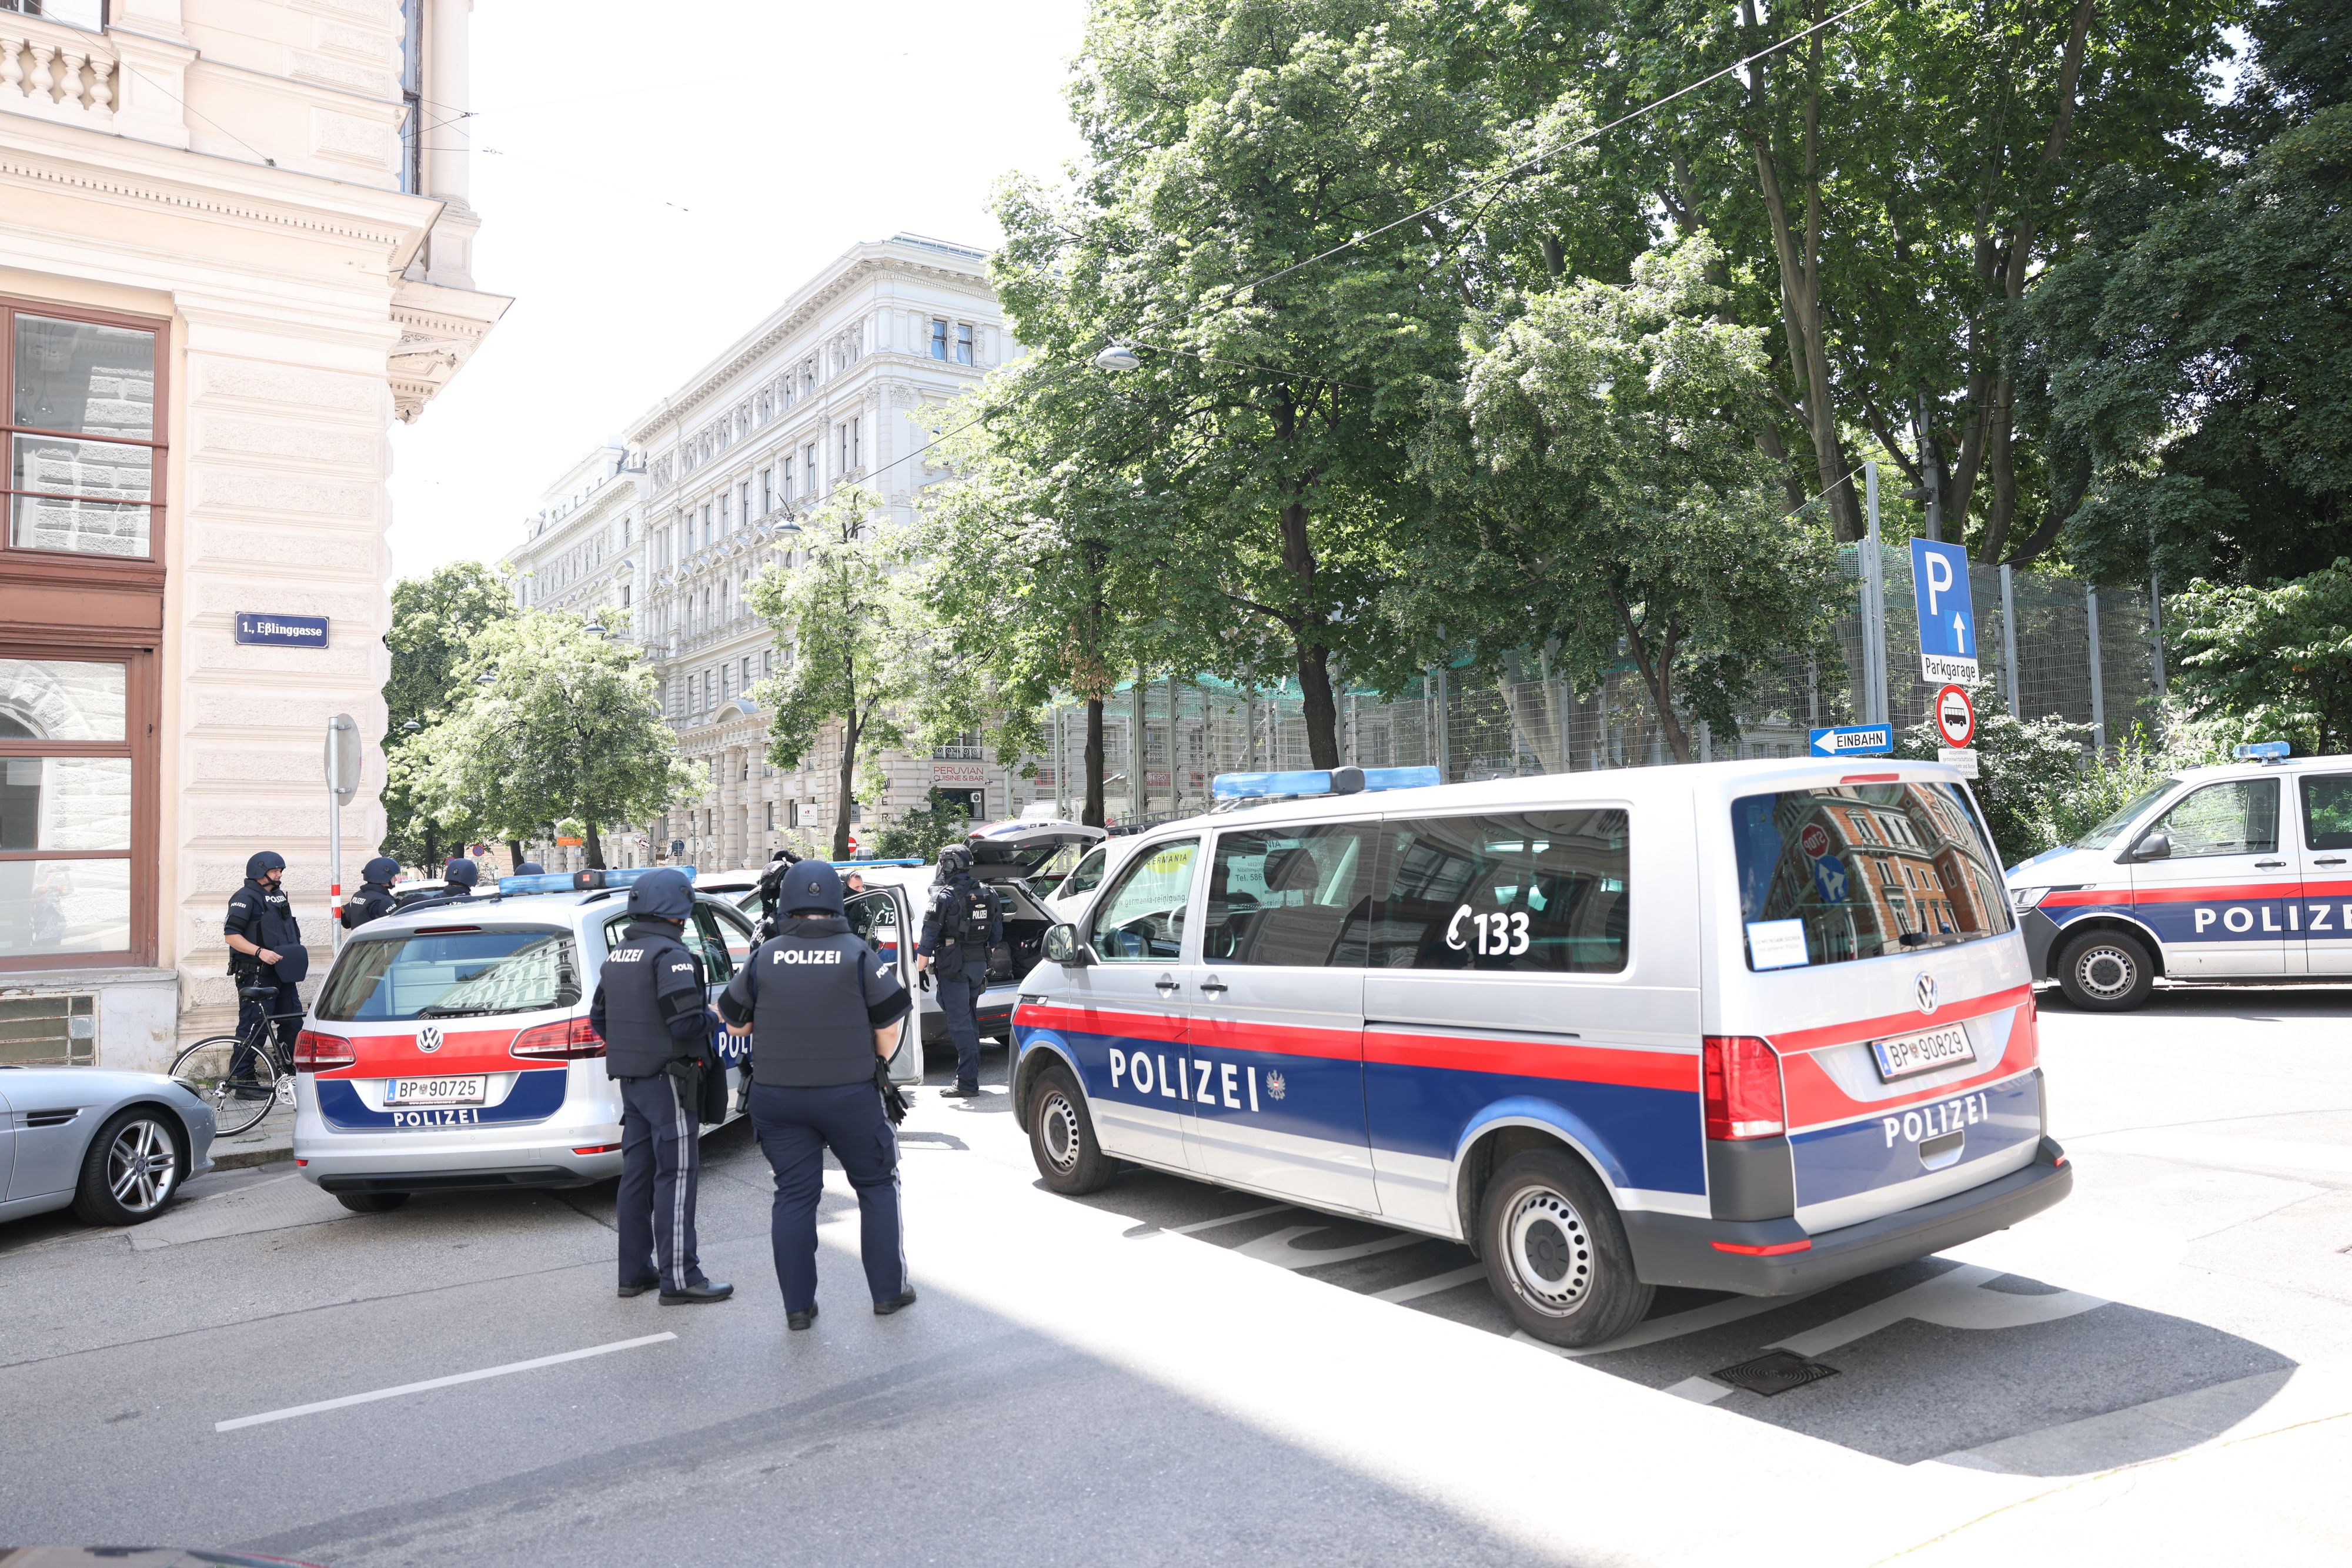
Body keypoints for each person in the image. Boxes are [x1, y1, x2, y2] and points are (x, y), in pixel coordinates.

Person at [720, 859, 916, 1330]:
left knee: (794, 1196)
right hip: (849, 1095)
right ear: (834, 900)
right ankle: (888, 1292)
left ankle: (798, 1308)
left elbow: (734, 1020)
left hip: (778, 1098)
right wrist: (878, 1059)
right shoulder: (856, 952)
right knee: (875, 1186)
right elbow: (889, 1024)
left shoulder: (766, 954)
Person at [587, 867, 733, 1305]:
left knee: (637, 1177)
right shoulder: (672, 956)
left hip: (632, 1080)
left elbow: (599, 1019)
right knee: (678, 1175)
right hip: (671, 1079)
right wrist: (715, 1014)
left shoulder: (619, 956)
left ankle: (633, 1272)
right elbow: (686, 1019)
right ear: (677, 911)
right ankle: (681, 1276)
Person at [916, 843, 1001, 1099]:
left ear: (950, 865)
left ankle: (967, 1082)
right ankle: (970, 1075)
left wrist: (918, 970)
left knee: (960, 1023)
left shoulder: (943, 896)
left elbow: (928, 938)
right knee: (969, 1018)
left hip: (954, 967)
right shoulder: (989, 893)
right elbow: (996, 937)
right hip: (979, 965)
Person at [222, 851, 309, 1094]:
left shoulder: (278, 896)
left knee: (291, 1022)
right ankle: (243, 1080)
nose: (279, 875)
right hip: (256, 972)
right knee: (255, 1026)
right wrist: (259, 952)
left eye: (280, 871)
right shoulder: (245, 897)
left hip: (282, 972)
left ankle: (290, 1076)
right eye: (275, 871)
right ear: (259, 872)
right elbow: (231, 936)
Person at [340, 856, 401, 931]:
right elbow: (395, 929)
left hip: (358, 941)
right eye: (393, 876)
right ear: (383, 876)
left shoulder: (358, 895)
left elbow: (346, 921)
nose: (395, 879)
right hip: (375, 942)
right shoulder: (383, 901)